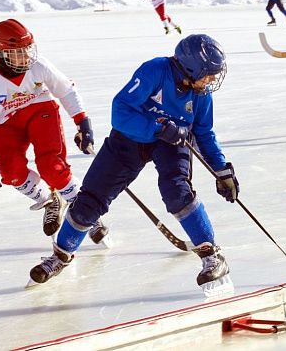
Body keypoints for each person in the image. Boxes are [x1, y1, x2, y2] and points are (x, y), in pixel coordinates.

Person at [29, 34, 239, 297]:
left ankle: (212, 255)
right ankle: (60, 255)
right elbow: (121, 111)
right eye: (208, 74)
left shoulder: (201, 95)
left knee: (177, 193)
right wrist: (156, 127)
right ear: (191, 67)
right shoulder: (154, 71)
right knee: (90, 201)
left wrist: (222, 171)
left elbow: (205, 133)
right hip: (130, 138)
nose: (211, 80)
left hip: (172, 143)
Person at [0, 19, 108, 243]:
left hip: (40, 111)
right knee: (11, 173)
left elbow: (66, 90)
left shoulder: (38, 64)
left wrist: (82, 123)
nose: (26, 58)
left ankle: (87, 212)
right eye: (16, 53)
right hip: (5, 121)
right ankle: (50, 200)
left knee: (52, 167)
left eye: (27, 50)